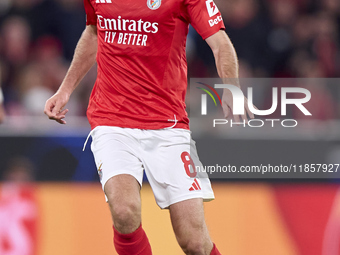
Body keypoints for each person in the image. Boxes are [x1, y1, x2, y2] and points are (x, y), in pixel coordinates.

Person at [44, 0, 252, 254]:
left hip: (168, 124)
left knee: (194, 242)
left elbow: (220, 43)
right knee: (124, 210)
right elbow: (94, 31)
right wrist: (65, 90)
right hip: (112, 119)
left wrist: (231, 87)